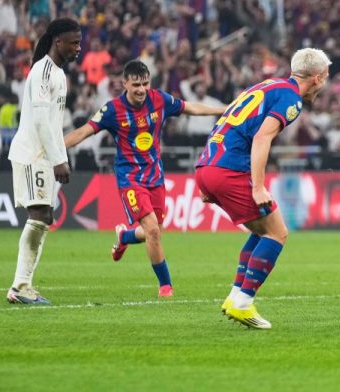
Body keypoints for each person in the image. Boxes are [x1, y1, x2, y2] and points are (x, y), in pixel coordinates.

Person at [64, 60, 227, 297]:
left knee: (156, 231)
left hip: (155, 176)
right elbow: (83, 131)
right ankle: (166, 286)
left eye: (145, 84)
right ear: (125, 84)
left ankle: (125, 236)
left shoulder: (159, 99)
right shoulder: (112, 110)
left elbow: (191, 107)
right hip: (130, 178)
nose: (141, 89)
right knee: (152, 229)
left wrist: (224, 109)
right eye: (136, 85)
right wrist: (55, 150)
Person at [196, 48, 331, 329]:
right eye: (326, 77)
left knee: (262, 230)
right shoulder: (291, 99)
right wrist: (258, 187)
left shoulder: (266, 85)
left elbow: (227, 120)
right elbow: (262, 137)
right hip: (230, 168)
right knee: (277, 233)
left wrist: (207, 175)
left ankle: (235, 296)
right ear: (317, 78)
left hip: (209, 165)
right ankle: (243, 301)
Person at [6, 18, 81, 305]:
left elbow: (53, 122)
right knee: (39, 215)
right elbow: (40, 122)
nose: (78, 48)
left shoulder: (59, 74)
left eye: (79, 42)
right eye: (73, 42)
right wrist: (58, 159)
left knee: (44, 217)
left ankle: (24, 285)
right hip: (33, 154)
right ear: (57, 41)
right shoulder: (43, 71)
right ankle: (20, 286)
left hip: (44, 156)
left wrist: (58, 157)